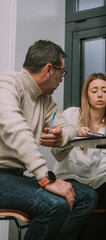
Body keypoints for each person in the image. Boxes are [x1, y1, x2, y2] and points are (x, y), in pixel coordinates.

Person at [0, 40, 98, 240]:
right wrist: (45, 177)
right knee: (55, 205)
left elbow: (70, 128)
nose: (61, 80)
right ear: (48, 69)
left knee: (88, 197)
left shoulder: (45, 101)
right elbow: (15, 128)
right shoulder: (7, 84)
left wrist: (62, 136)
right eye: (61, 72)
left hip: (16, 177)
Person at [52, 72, 106, 240]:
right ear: (86, 94)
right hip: (69, 177)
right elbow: (57, 151)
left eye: (105, 90)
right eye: (94, 90)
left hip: (97, 180)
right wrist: (75, 135)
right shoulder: (71, 115)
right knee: (88, 198)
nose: (100, 95)